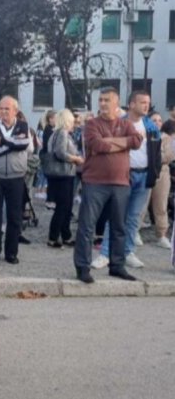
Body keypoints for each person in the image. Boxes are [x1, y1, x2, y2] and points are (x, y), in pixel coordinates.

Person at [73, 87, 142, 284]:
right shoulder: (92, 124)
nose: (102, 104)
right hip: (95, 182)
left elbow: (137, 141)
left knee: (119, 227)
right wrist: (123, 143)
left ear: (116, 102)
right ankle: (83, 267)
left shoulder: (125, 123)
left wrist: (112, 141)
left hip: (121, 183)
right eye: (100, 100)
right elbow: (98, 145)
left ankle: (117, 266)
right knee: (87, 226)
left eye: (106, 100)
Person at [93, 90, 160, 270]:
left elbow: (156, 151)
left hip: (144, 175)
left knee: (133, 218)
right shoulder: (120, 123)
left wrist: (154, 171)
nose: (146, 106)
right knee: (116, 216)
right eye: (142, 102)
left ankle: (128, 251)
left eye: (148, 102)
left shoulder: (151, 127)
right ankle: (106, 253)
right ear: (131, 104)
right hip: (124, 174)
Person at [0, 96, 32, 265]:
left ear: (15, 111)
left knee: (14, 217)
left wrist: (3, 142)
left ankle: (11, 253)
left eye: (7, 109)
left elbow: (24, 143)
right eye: (1, 108)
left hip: (16, 177)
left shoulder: (23, 125)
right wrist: (12, 144)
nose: (3, 112)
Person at [45, 109, 84, 248]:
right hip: (63, 174)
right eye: (72, 121)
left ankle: (65, 235)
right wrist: (76, 158)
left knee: (66, 207)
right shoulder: (62, 133)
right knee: (63, 207)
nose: (74, 123)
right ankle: (53, 237)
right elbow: (60, 153)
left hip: (62, 174)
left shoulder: (56, 133)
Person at [150, 112, 175, 249]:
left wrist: (155, 156)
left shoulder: (167, 138)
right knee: (141, 205)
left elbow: (170, 156)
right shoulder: (144, 135)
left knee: (161, 205)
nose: (157, 122)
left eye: (159, 120)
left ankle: (161, 234)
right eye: (154, 120)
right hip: (147, 172)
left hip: (163, 172)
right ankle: (133, 232)